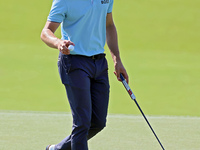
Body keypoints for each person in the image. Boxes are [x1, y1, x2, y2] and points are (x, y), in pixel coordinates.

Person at [41, 0, 129, 150]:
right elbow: (46, 32)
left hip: (99, 63)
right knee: (82, 122)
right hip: (74, 63)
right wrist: (58, 43)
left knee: (98, 122)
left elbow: (109, 25)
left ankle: (57, 149)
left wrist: (117, 59)